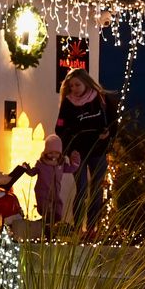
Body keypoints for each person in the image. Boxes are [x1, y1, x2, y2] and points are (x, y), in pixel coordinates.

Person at [54, 69, 116, 234]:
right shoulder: (68, 103)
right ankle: (77, 228)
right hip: (78, 153)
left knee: (96, 190)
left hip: (98, 151)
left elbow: (113, 122)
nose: (74, 88)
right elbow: (60, 129)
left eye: (77, 84)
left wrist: (108, 134)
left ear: (86, 83)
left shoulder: (101, 98)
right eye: (71, 85)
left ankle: (91, 229)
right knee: (81, 190)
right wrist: (68, 150)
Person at [33, 134, 76, 228]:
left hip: (56, 192)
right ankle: (46, 226)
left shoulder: (60, 164)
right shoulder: (41, 164)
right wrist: (27, 169)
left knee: (57, 210)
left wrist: (75, 163)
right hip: (43, 192)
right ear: (46, 152)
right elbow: (33, 171)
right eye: (50, 153)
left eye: (56, 153)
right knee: (46, 210)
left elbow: (70, 169)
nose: (53, 155)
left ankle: (54, 227)